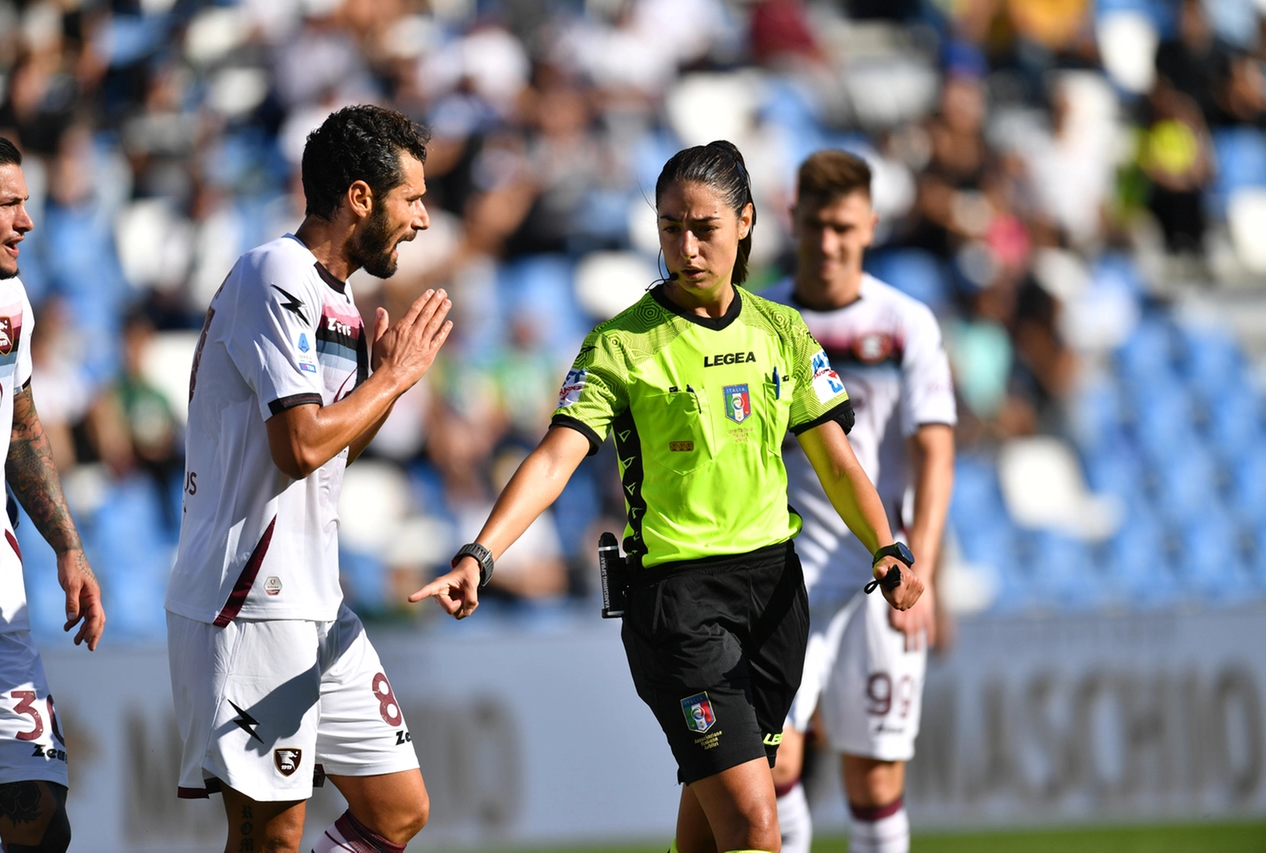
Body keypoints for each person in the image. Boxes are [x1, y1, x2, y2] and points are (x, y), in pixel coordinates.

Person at [411, 140, 922, 853]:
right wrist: (481, 552)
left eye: (703, 226)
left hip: (775, 594)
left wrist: (888, 547)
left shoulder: (782, 331)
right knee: (754, 822)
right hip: (678, 606)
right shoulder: (621, 344)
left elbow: (838, 461)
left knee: (710, 830)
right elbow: (557, 457)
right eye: (669, 227)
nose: (685, 246)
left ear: (745, 222)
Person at [165, 105, 453, 853]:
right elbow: (296, 446)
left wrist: (384, 385)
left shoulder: (340, 302)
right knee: (272, 839)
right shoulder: (276, 273)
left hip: (314, 598)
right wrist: (390, 382)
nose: (422, 221)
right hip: (249, 599)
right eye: (412, 199)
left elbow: (333, 452)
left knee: (397, 808)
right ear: (360, 197)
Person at [760, 150, 956, 853]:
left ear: (870, 225)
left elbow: (934, 450)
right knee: (771, 762)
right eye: (815, 224)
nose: (828, 242)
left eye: (843, 225)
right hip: (788, 574)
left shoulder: (906, 323)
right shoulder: (763, 319)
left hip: (883, 568)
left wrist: (923, 568)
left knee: (874, 782)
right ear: (794, 221)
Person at [0, 134, 106, 852]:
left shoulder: (12, 298)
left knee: (38, 812)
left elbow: (20, 421)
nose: (27, 221)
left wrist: (68, 547)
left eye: (27, 201)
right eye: (8, 204)